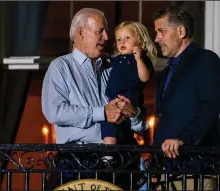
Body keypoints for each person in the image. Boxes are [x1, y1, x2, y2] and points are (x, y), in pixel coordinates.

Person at [41, 8, 146, 189]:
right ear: (81, 32)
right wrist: (102, 113)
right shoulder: (60, 67)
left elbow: (139, 117)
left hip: (120, 160)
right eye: (100, 31)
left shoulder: (113, 65)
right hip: (77, 162)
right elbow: (54, 112)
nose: (106, 37)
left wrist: (134, 113)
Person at [151, 5, 220, 190]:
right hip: (166, 171)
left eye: (161, 31)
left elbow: (209, 107)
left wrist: (184, 140)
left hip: (197, 166)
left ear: (181, 31)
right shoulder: (167, 70)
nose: (156, 38)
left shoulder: (206, 60)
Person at [101, 21, 156, 149]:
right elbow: (107, 59)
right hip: (113, 97)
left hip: (130, 96)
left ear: (140, 41)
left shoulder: (141, 59)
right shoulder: (117, 59)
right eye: (119, 39)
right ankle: (108, 153)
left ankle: (114, 151)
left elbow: (144, 77)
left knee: (121, 123)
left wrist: (138, 59)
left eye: (127, 38)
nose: (122, 42)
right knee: (109, 122)